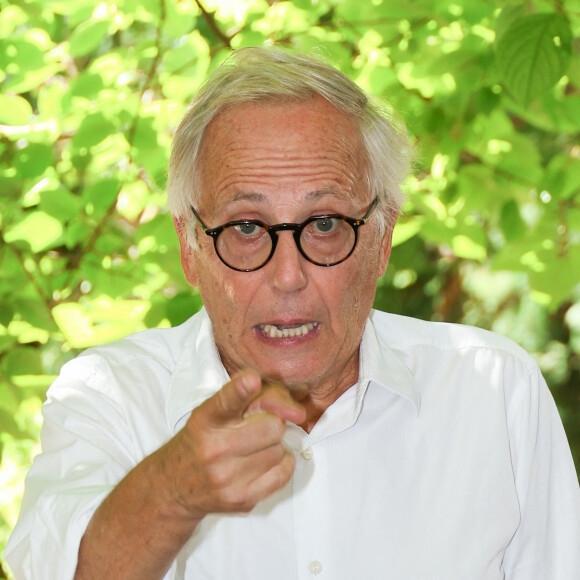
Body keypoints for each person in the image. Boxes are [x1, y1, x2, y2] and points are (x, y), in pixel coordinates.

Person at [5, 47, 580, 580]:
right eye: (247, 228)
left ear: (383, 239)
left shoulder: (493, 392)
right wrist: (173, 493)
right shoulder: (108, 398)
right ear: (189, 247)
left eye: (325, 224)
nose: (288, 276)